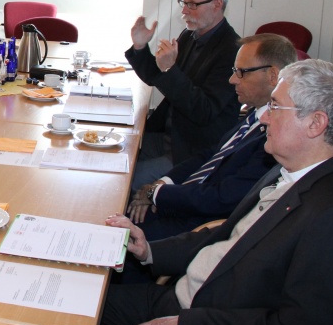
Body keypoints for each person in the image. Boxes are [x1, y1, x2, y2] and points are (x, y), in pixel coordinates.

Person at [91, 59, 333, 325]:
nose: (264, 118)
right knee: (73, 305)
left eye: (275, 107)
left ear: (316, 123)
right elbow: (225, 235)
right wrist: (150, 250)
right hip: (181, 300)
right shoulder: (287, 169)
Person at [125, 34, 296, 243]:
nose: (232, 80)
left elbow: (223, 198)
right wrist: (162, 183)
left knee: (115, 224)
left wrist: (157, 194)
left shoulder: (273, 138)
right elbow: (211, 155)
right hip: (186, 198)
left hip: (197, 227)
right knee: (118, 209)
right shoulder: (255, 114)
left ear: (272, 75)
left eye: (241, 72)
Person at [127, 0, 241, 190]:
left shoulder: (231, 51)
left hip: (190, 151)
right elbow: (157, 77)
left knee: (123, 179)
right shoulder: (190, 36)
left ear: (217, 4)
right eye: (184, 3)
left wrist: (170, 69)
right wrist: (140, 47)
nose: (184, 11)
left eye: (192, 4)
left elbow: (203, 110)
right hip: (168, 136)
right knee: (117, 149)